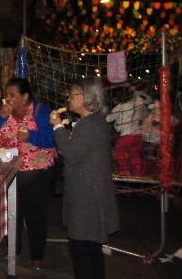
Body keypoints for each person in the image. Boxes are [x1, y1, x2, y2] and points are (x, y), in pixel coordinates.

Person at [0, 77, 56, 271]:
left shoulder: (40, 111)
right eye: (6, 95)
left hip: (37, 169)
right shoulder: (4, 113)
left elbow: (53, 138)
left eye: (12, 95)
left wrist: (31, 136)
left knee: (35, 213)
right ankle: (13, 250)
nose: (8, 99)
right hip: (10, 169)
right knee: (12, 211)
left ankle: (37, 256)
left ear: (24, 97)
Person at [49, 77, 119, 279]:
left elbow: (72, 155)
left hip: (87, 196)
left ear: (87, 97)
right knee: (91, 249)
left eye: (73, 94)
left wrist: (57, 128)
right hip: (90, 192)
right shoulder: (91, 122)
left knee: (81, 250)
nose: (69, 98)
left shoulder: (89, 124)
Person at [107, 86, 152, 175]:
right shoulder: (136, 103)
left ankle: (124, 170)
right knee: (134, 155)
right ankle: (137, 174)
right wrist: (135, 92)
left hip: (127, 135)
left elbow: (109, 119)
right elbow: (148, 100)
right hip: (138, 134)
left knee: (118, 151)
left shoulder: (120, 107)